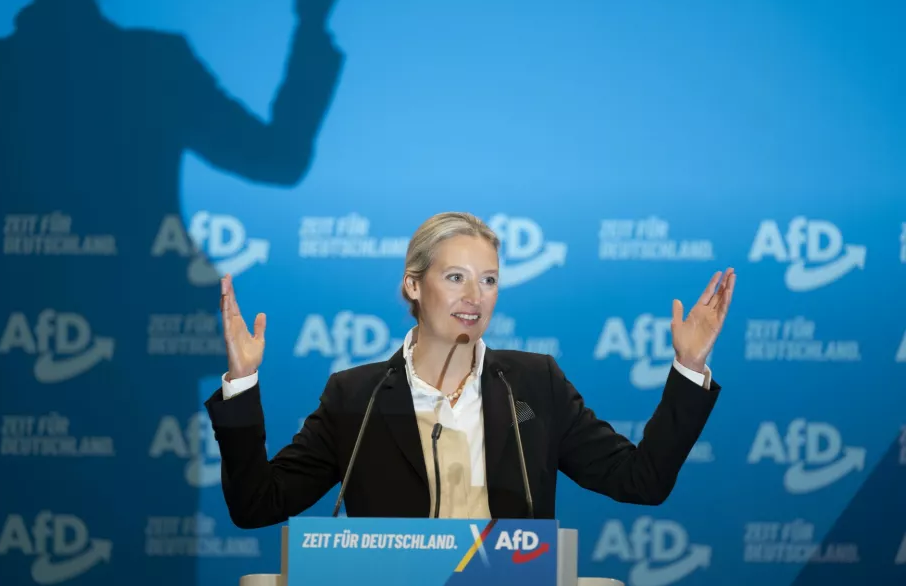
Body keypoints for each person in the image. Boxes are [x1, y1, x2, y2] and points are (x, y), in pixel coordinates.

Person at [204, 212, 734, 527]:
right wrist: (243, 382)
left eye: (489, 280)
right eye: (455, 277)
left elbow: (641, 480)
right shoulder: (356, 396)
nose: (474, 297)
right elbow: (257, 505)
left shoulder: (536, 384)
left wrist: (689, 366)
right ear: (414, 284)